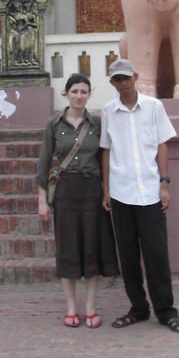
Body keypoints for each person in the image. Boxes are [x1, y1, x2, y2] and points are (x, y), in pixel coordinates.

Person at [100, 59, 179, 334]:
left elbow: (162, 145)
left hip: (150, 192)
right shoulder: (108, 111)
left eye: (126, 78)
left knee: (156, 255)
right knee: (127, 257)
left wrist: (164, 184)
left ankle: (166, 311)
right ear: (112, 82)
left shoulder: (153, 107)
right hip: (120, 193)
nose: (123, 83)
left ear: (135, 77)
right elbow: (106, 150)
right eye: (117, 79)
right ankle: (138, 308)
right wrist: (105, 189)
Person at [36, 73, 119, 328]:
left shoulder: (97, 123)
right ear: (67, 94)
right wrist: (42, 201)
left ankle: (91, 306)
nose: (79, 96)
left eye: (84, 92)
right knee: (68, 248)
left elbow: (105, 158)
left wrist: (106, 192)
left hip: (91, 190)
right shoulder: (54, 124)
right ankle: (71, 307)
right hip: (65, 191)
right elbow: (44, 162)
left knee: (92, 247)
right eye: (75, 91)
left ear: (89, 94)